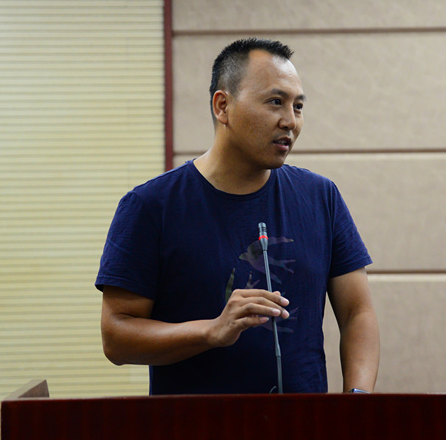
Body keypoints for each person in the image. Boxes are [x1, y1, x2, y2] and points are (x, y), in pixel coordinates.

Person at [96, 38, 379, 395]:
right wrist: (211, 331)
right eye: (275, 102)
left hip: (305, 422)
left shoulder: (321, 197)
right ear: (223, 106)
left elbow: (358, 315)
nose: (290, 121)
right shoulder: (151, 206)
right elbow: (117, 336)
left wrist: (357, 401)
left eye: (298, 106)